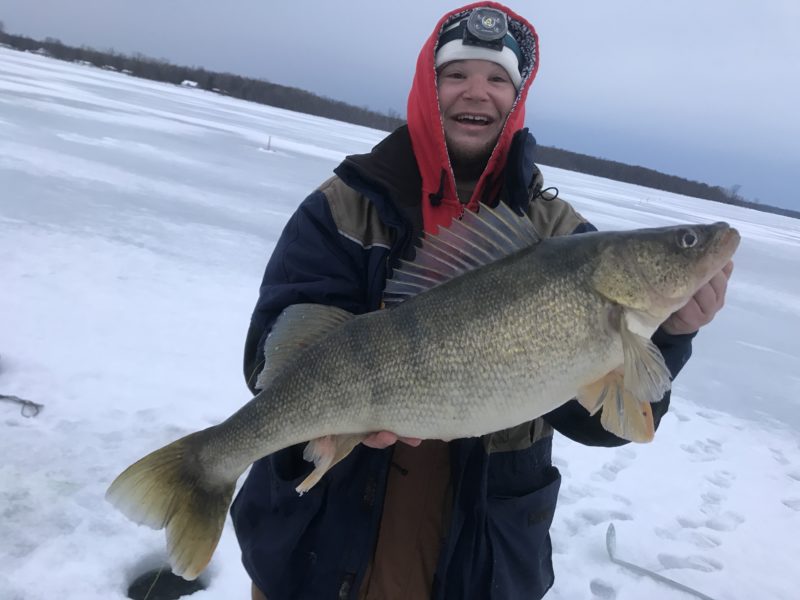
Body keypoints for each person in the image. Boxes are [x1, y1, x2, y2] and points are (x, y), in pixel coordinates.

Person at [231, 3, 733, 599]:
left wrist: (669, 336)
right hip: (319, 544)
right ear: (428, 85)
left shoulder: (561, 236)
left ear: (517, 98)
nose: (478, 91)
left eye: (498, 79)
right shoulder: (344, 206)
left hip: (473, 557)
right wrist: (333, 420)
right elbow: (272, 357)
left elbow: (602, 425)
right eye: (457, 74)